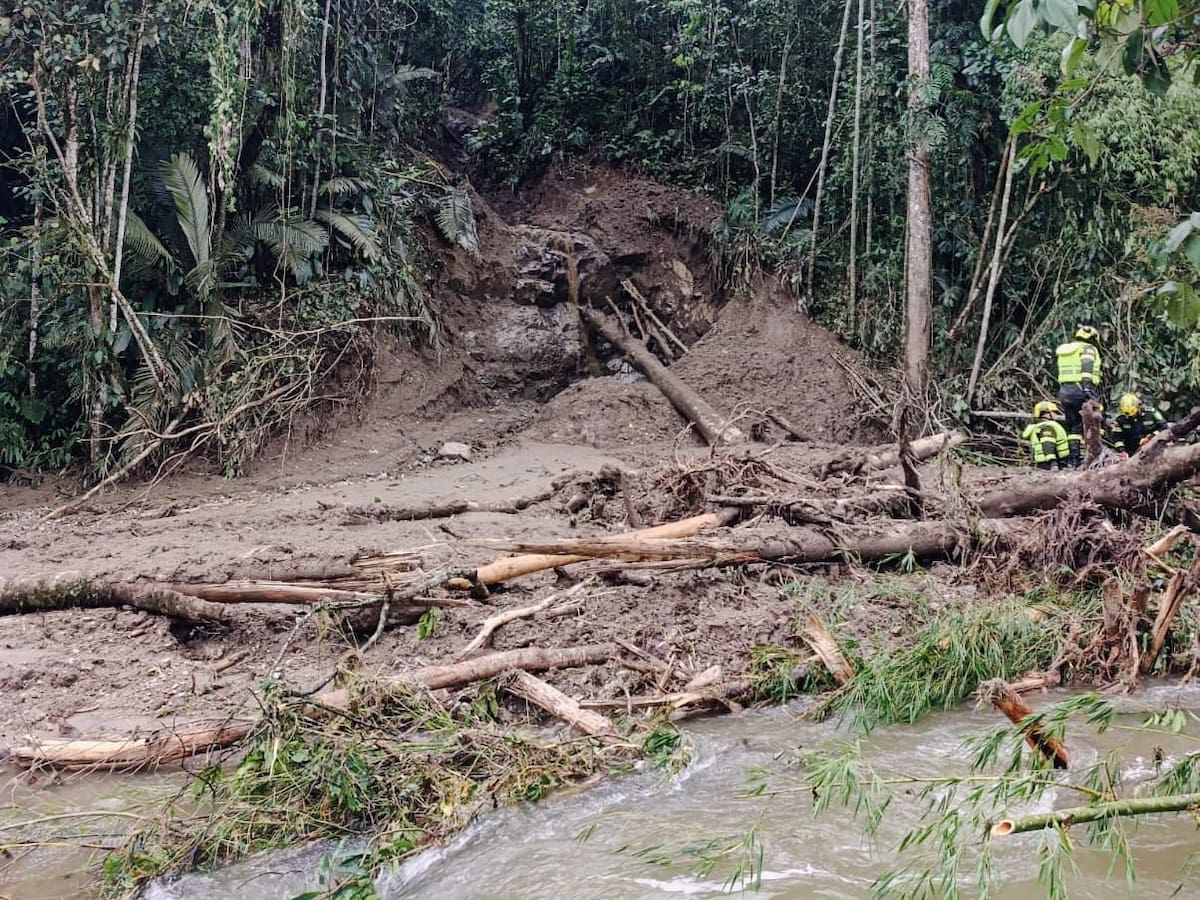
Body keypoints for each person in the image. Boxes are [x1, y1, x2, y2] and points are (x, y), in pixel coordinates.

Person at [1055, 325, 1102, 468]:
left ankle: (1074, 460)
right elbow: (1087, 367)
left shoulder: (1065, 350)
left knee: (1074, 427)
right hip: (1081, 389)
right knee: (1094, 421)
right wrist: (1087, 388)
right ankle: (1094, 457)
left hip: (1065, 392)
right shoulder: (1087, 349)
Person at [1021, 400, 1070, 469]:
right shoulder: (1047, 427)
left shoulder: (1041, 426)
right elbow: (1048, 445)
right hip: (1049, 463)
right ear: (1046, 414)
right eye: (1053, 412)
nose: (1055, 414)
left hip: (1048, 461)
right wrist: (1053, 464)